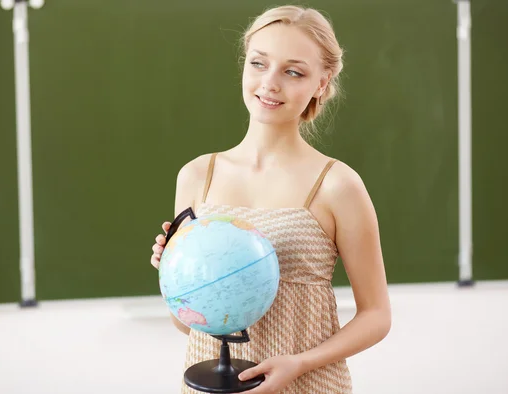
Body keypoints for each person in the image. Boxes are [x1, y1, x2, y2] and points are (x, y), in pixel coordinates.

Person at [150, 5, 391, 394]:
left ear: (322, 83)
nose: (270, 83)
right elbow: (187, 324)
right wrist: (177, 281)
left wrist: (299, 364)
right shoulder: (197, 176)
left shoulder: (337, 185)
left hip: (309, 385)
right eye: (259, 63)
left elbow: (377, 316)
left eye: (293, 71)